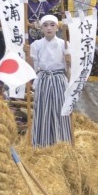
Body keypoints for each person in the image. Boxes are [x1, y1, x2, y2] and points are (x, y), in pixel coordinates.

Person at [26, 14, 71, 146]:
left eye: (52, 25)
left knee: (60, 109)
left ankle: (62, 141)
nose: (49, 28)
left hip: (58, 79)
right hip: (44, 79)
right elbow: (32, 67)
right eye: (45, 25)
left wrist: (69, 61)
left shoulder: (64, 44)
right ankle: (42, 142)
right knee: (43, 109)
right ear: (41, 28)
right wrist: (27, 54)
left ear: (57, 27)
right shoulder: (36, 44)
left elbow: (70, 69)